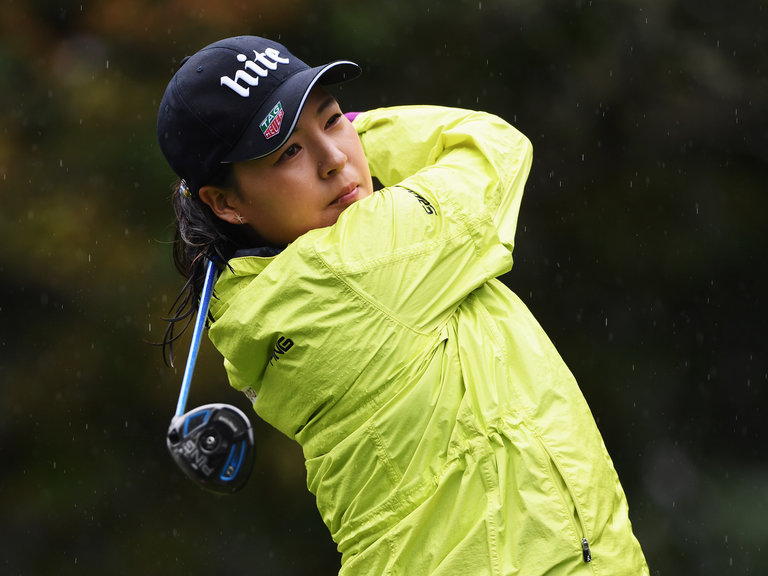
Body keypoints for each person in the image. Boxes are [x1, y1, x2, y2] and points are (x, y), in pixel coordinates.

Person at [157, 35, 649, 575]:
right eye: (288, 151)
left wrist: (318, 137)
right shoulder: (355, 264)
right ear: (225, 203)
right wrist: (363, 132)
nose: (333, 160)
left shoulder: (268, 295)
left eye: (334, 118)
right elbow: (493, 146)